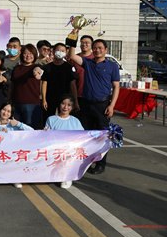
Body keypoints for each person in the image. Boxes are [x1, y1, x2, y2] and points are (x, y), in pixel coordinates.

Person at [68, 39, 119, 175]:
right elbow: (72, 56)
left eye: (100, 48)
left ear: (106, 49)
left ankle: (101, 164)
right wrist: (73, 36)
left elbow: (116, 86)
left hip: (103, 105)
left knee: (103, 136)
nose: (97, 50)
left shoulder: (112, 66)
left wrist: (112, 105)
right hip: (86, 104)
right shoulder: (88, 63)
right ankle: (86, 162)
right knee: (86, 135)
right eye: (95, 48)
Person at [0, 101, 33, 189]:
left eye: (9, 111)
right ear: (0, 110)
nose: (5, 113)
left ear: (11, 114)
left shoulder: (14, 124)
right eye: (4, 109)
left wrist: (19, 124)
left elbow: (32, 131)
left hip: (12, 153)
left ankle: (15, 178)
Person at [44, 94, 84, 189]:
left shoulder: (75, 121)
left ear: (72, 107)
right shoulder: (51, 119)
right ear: (59, 104)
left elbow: (83, 136)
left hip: (70, 152)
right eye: (63, 103)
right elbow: (46, 137)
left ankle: (67, 177)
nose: (65, 107)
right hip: (55, 151)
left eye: (69, 105)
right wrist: (44, 133)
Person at [41, 43, 78, 123]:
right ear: (53, 51)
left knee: (64, 119)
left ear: (66, 53)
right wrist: (44, 100)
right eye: (58, 50)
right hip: (50, 98)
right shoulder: (47, 67)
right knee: (48, 119)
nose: (60, 52)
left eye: (63, 51)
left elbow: (73, 85)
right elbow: (44, 84)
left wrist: (75, 101)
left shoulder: (69, 67)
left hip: (65, 99)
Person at [8, 44, 42, 129]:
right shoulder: (16, 68)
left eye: (31, 53)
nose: (28, 55)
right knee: (15, 128)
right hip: (16, 103)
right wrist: (8, 99)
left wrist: (38, 73)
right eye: (25, 53)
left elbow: (39, 70)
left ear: (35, 55)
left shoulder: (36, 67)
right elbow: (12, 85)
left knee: (30, 128)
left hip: (31, 104)